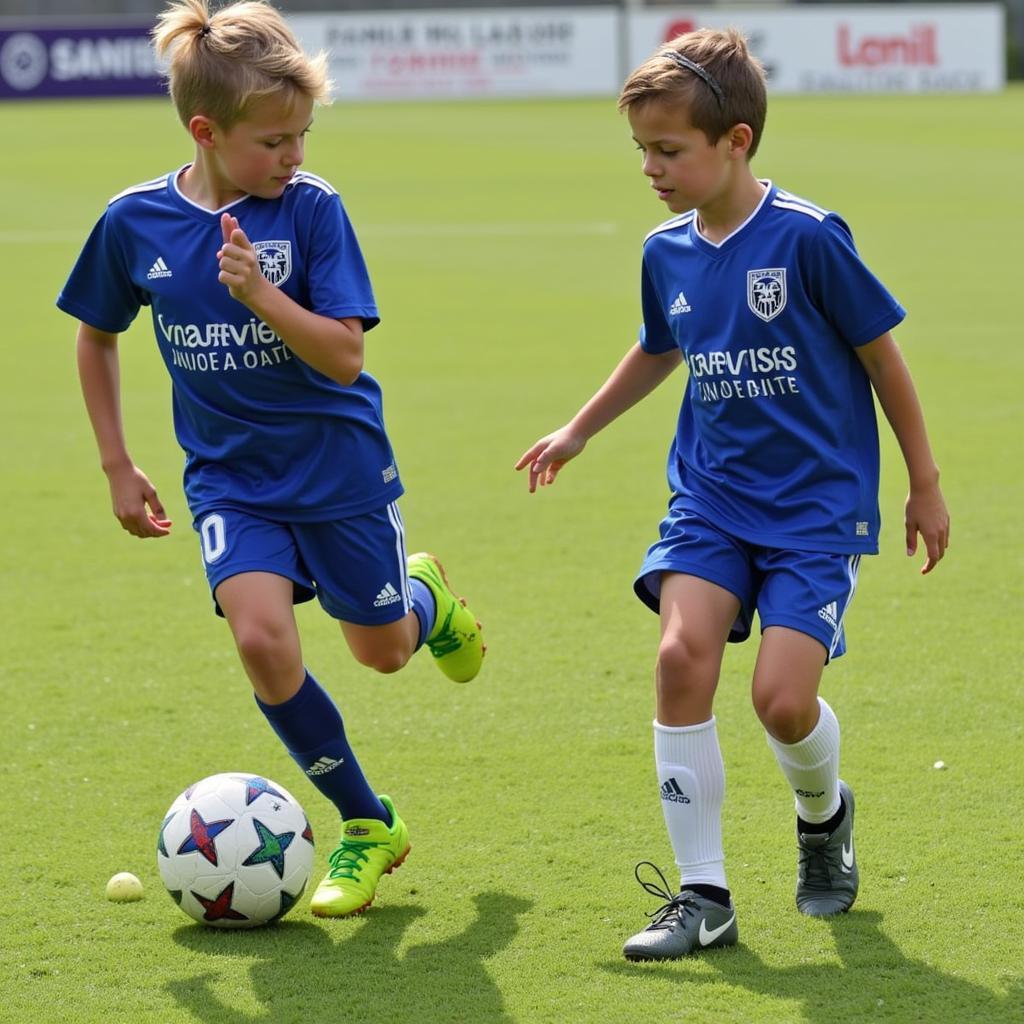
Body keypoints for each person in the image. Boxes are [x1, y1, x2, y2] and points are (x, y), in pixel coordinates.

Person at [516, 28, 948, 961]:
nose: (651, 169)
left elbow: (884, 357)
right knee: (679, 657)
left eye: (668, 151)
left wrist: (925, 481)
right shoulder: (664, 250)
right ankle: (702, 896)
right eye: (641, 151)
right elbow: (660, 344)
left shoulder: (807, 236)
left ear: (736, 141)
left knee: (783, 704)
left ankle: (822, 814)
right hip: (709, 500)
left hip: (815, 511)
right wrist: (579, 428)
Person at [58, 0, 484, 920]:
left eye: (303, 134)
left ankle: (426, 601)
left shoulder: (313, 209)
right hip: (229, 479)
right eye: (274, 140)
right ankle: (369, 823)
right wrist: (116, 464)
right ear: (206, 131)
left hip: (338, 470)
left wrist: (258, 294)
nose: (293, 155)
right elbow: (96, 336)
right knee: (260, 639)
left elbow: (343, 353)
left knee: (384, 654)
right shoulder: (134, 222)